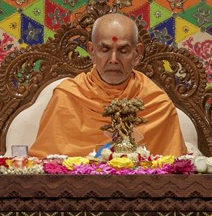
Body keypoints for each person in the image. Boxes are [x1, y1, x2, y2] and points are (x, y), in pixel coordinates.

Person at [28, 12, 187, 157]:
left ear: (137, 54)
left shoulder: (157, 104)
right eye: (105, 50)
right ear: (92, 51)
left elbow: (173, 169)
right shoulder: (67, 98)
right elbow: (46, 164)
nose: (113, 59)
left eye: (123, 51)